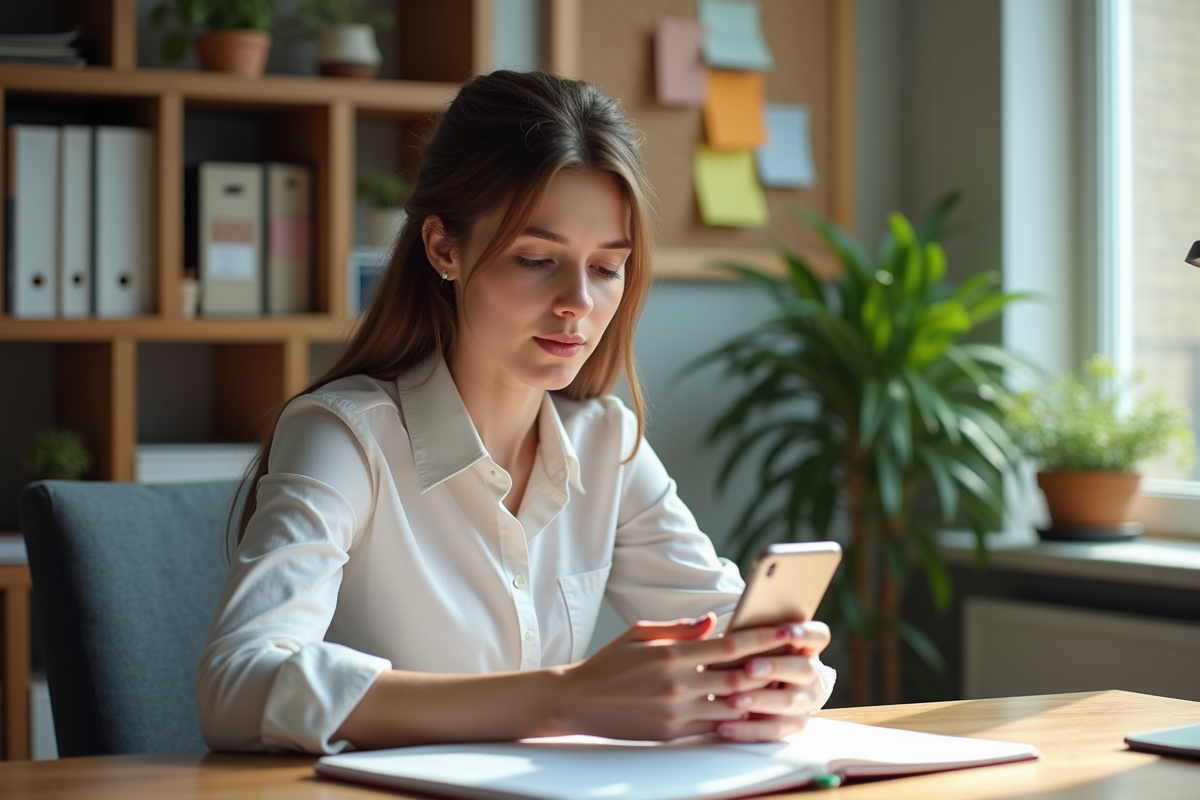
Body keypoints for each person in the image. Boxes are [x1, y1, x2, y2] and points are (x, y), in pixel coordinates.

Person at [195, 70, 835, 754]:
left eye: (606, 268)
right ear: (444, 248)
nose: (577, 304)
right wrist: (565, 699)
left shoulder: (605, 444)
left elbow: (723, 621)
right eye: (537, 259)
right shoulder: (345, 437)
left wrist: (781, 670)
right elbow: (237, 685)